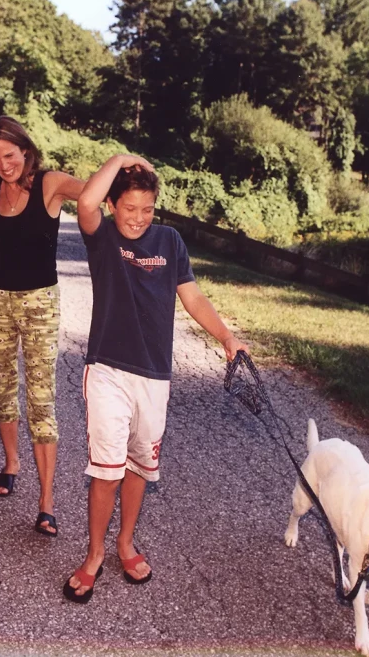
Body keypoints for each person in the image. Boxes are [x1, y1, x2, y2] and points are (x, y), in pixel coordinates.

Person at [64, 154, 249, 603]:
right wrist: (122, 159)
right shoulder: (103, 236)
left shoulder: (170, 241)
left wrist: (226, 336)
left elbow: (193, 296)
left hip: (155, 377)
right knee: (106, 470)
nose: (138, 218)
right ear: (113, 206)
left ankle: (126, 542)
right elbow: (85, 199)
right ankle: (95, 555)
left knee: (139, 466)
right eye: (130, 208)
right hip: (107, 371)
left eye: (147, 209)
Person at [0, 116, 83, 537]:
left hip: (40, 302)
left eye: (10, 155)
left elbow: (98, 195)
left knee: (41, 399)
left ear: (25, 150)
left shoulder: (50, 183)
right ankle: (12, 462)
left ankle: (46, 502)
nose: (4, 164)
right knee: (2, 386)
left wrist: (124, 165)